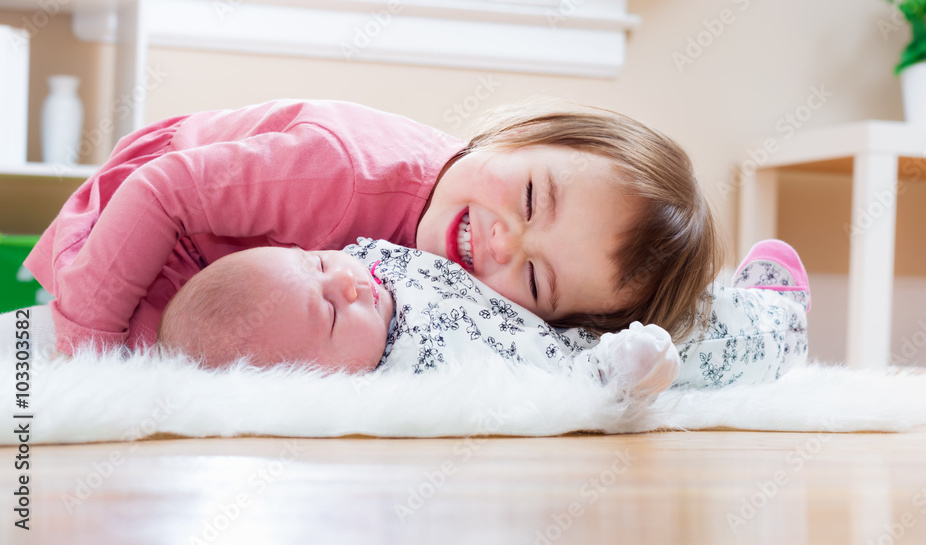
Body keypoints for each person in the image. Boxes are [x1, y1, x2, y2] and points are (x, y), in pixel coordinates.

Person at [24, 98, 720, 360]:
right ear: (525, 133)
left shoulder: (458, 276)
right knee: (157, 345)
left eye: (535, 278)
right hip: (155, 221)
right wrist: (86, 359)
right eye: (532, 196)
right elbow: (162, 192)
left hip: (244, 264)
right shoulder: (341, 172)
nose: (505, 241)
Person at [156, 240, 682, 400]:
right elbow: (532, 394)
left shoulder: (373, 258)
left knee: (688, 292)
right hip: (601, 340)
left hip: (573, 291)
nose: (346, 281)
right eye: (332, 314)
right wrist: (608, 377)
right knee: (707, 341)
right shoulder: (413, 374)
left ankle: (755, 287)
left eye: (316, 262)